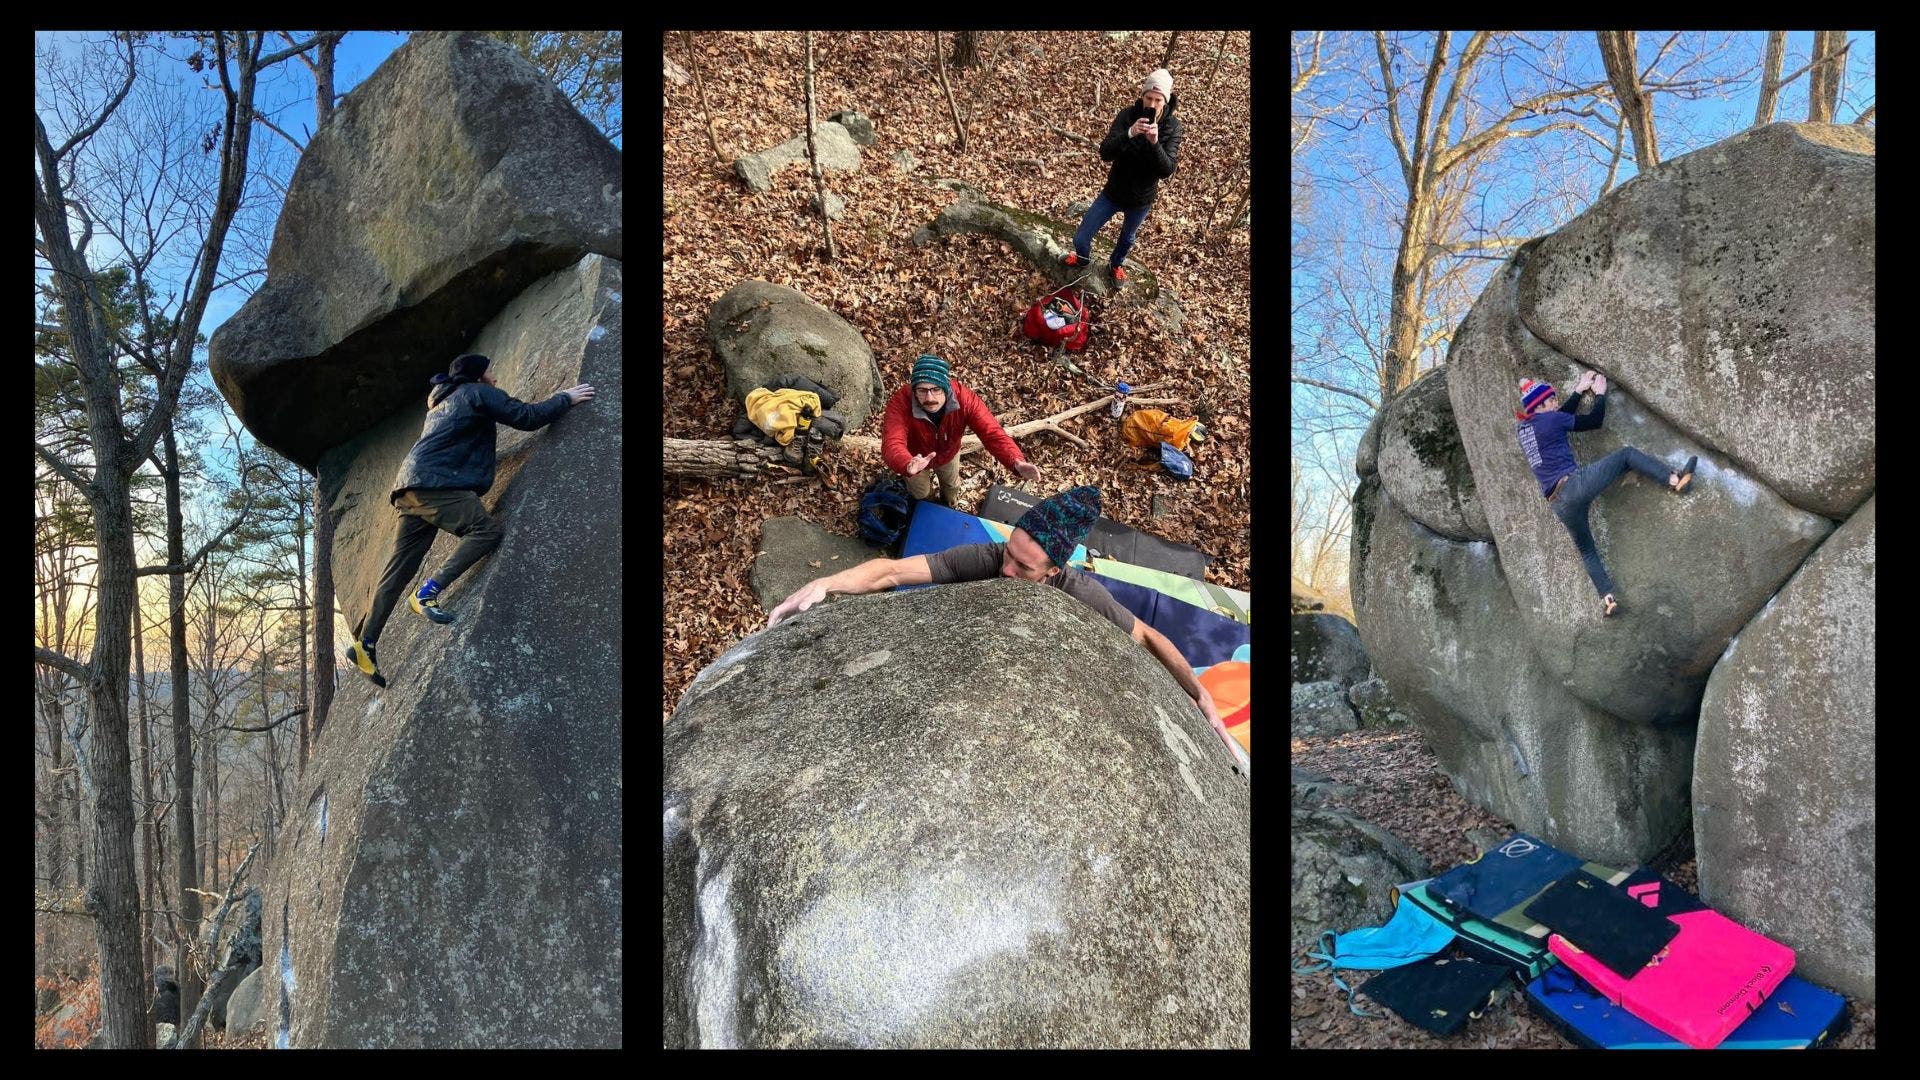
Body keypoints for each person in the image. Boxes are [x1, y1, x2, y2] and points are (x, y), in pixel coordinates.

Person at [765, 486, 1245, 769]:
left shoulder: (1080, 593)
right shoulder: (989, 558)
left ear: (1054, 570)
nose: (1007, 571)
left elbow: (1146, 636)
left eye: (1024, 567)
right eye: (1010, 555)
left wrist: (1200, 694)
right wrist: (826, 583)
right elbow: (891, 571)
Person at [344, 353, 596, 686]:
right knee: (485, 531)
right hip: (437, 484)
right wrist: (566, 398)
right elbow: (527, 416)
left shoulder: (440, 404)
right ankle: (427, 593)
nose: (495, 376)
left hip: (410, 487)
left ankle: (366, 643)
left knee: (399, 569)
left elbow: (454, 442)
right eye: (490, 371)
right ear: (478, 375)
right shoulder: (477, 392)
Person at [1515, 372, 1696, 618]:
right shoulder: (1551, 420)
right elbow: (1593, 421)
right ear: (1541, 405)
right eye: (1552, 400)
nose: (1557, 402)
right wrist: (1599, 394)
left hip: (1558, 505)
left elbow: (1558, 418)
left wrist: (1579, 391)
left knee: (1587, 550)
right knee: (1626, 456)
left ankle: (1608, 599)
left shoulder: (1525, 428)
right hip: (1574, 485)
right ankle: (1674, 480)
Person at [1062, 68, 1183, 287]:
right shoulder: (1127, 115)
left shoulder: (1173, 127)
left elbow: (1167, 170)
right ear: (1142, 96)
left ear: (1165, 101)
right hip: (1113, 192)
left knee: (1127, 239)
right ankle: (1082, 258)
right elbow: (1105, 152)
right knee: (1081, 237)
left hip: (1141, 200)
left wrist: (1155, 143)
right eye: (1149, 98)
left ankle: (1116, 265)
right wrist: (1130, 133)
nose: (1152, 105)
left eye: (1158, 100)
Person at [881, 354, 1040, 507]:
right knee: (920, 493)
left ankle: (948, 505)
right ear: (914, 390)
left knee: (951, 486)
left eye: (936, 389)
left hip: (948, 452)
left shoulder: (965, 399)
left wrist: (1015, 461)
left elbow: (991, 433)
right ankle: (927, 506)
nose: (929, 398)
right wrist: (907, 463)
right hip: (914, 457)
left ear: (946, 387)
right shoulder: (901, 402)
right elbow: (892, 443)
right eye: (922, 390)